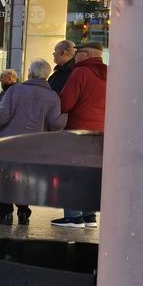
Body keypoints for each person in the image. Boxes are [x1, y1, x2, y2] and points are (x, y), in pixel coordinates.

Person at [0, 58, 68, 224]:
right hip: (34, 145)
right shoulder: (53, 96)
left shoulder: (14, 90)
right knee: (25, 178)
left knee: (5, 177)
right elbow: (55, 124)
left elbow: (2, 115)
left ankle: (5, 213)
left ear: (30, 73)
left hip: (9, 142)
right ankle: (24, 211)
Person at [54, 43, 108, 227]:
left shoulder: (81, 72)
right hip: (101, 132)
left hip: (78, 131)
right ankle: (89, 215)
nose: (75, 57)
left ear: (84, 55)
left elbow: (66, 103)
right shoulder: (110, 74)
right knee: (90, 175)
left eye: (77, 54)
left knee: (72, 174)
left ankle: (73, 216)